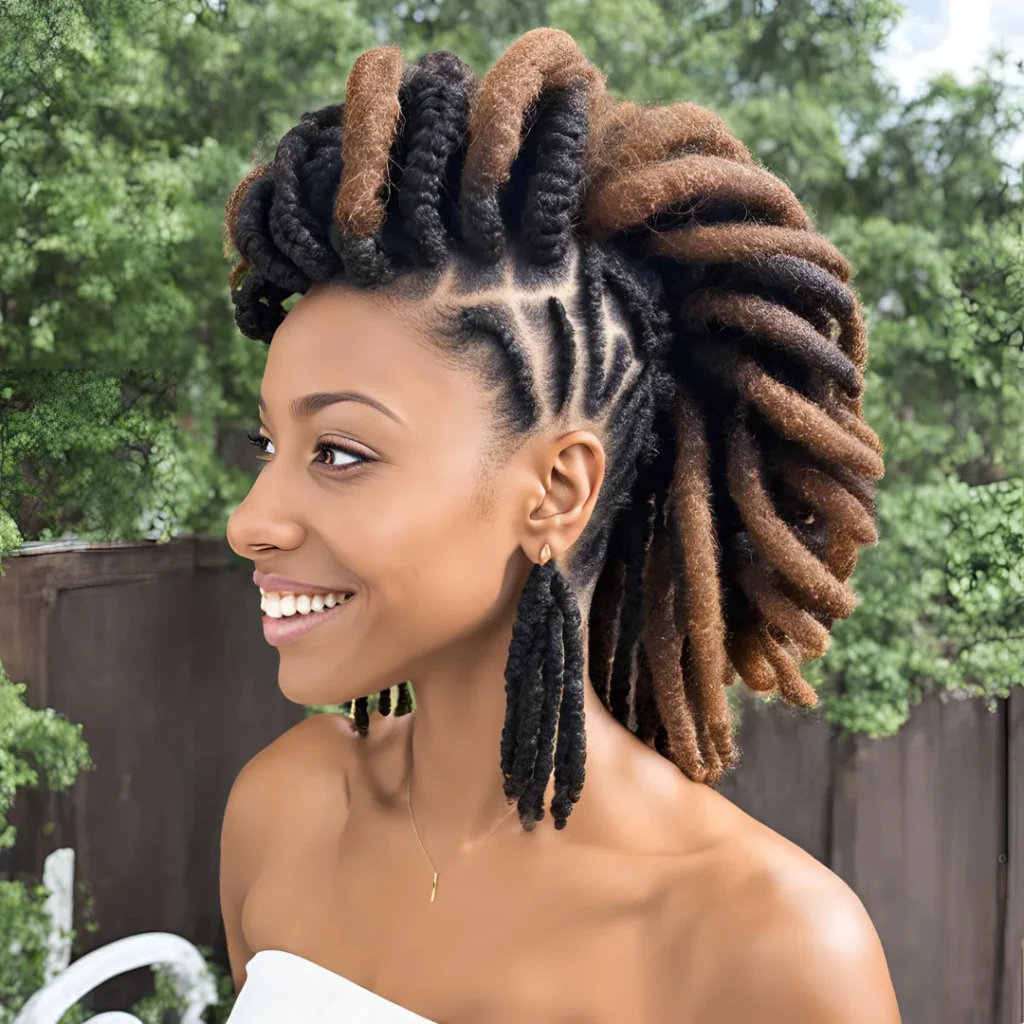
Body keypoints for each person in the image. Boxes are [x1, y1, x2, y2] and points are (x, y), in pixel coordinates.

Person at [220, 27, 900, 1023]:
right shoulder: (281, 811)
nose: (252, 522)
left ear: (557, 491)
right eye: (269, 448)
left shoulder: (769, 947)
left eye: (341, 453)